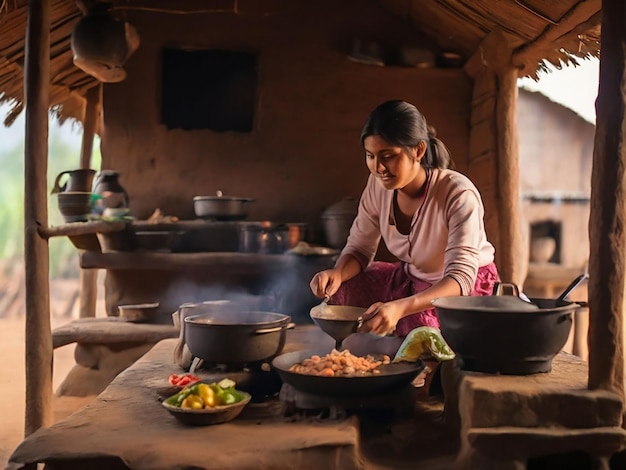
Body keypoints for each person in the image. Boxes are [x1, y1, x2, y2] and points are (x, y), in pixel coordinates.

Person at [310, 99, 499, 349]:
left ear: (418, 151)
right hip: (411, 280)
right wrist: (336, 273)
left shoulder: (457, 193)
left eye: (388, 156)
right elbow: (359, 249)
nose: (378, 168)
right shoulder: (377, 185)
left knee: (419, 331)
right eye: (370, 156)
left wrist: (400, 307)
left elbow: (460, 279)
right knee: (343, 288)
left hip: (461, 291)